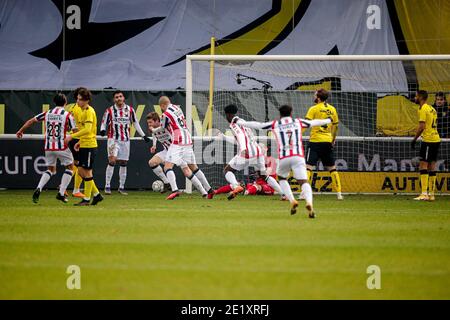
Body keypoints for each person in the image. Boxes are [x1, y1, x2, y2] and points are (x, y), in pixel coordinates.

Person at [237, 104, 331, 216]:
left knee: (282, 178)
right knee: (304, 182)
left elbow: (259, 125)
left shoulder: (276, 124)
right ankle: (309, 203)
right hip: (298, 156)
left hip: (284, 157)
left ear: (280, 114)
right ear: (291, 113)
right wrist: (328, 120)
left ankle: (292, 200)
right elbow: (313, 123)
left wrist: (241, 122)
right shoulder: (298, 122)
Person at [16, 93, 75, 203]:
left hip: (48, 147)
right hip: (62, 146)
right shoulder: (67, 115)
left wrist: (21, 130)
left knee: (50, 170)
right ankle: (61, 193)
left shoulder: (47, 113)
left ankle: (39, 188)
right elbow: (75, 131)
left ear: (54, 102)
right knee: (70, 168)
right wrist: (75, 139)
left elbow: (31, 121)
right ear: (65, 103)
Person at [222, 104, 283, 200]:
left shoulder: (234, 124)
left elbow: (240, 136)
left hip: (247, 152)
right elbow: (238, 139)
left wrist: (243, 149)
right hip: (258, 152)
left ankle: (235, 185)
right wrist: (224, 137)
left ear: (228, 115)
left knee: (227, 170)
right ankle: (284, 194)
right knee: (264, 176)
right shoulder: (243, 122)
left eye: (226, 116)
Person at [159, 96, 214, 200]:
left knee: (167, 167)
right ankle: (209, 189)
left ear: (162, 105)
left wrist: (153, 130)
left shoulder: (165, 114)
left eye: (161, 107)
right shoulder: (177, 108)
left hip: (177, 140)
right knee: (193, 167)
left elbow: (162, 127)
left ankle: (175, 190)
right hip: (187, 138)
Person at [100, 90, 150, 195]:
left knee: (123, 163)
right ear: (114, 99)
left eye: (120, 96)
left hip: (125, 140)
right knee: (112, 161)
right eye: (116, 97)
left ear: (123, 98)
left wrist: (143, 135)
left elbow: (135, 123)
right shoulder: (110, 110)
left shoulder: (130, 110)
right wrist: (102, 130)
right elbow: (104, 122)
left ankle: (121, 187)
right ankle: (107, 186)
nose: (119, 98)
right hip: (113, 139)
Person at [64, 88, 103, 206]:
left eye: (80, 99)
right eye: (77, 98)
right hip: (84, 144)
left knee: (87, 171)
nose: (78, 101)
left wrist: (72, 137)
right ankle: (96, 195)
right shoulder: (80, 110)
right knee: (81, 170)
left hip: (90, 145)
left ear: (86, 100)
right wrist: (79, 141)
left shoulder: (89, 111)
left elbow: (87, 130)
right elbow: (84, 130)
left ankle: (87, 199)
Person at [304, 89, 343, 200]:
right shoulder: (332, 109)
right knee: (332, 168)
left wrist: (297, 135)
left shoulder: (313, 109)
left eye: (315, 95)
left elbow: (306, 125)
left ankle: (304, 193)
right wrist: (333, 139)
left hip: (315, 142)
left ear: (318, 98)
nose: (313, 96)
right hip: (327, 141)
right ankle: (339, 194)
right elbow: (336, 126)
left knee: (308, 168)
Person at [411, 90, 441, 201]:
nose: (415, 98)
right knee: (432, 165)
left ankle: (424, 194)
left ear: (420, 97)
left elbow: (422, 126)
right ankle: (431, 194)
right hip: (436, 139)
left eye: (416, 96)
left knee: (423, 165)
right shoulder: (432, 109)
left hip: (428, 140)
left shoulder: (423, 109)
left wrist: (414, 139)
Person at [67, 87, 86, 198]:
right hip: (77, 137)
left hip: (70, 136)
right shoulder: (80, 108)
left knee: (75, 163)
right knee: (80, 165)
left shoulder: (69, 107)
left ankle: (64, 187)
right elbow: (81, 126)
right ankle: (76, 189)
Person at [146, 112, 171, 192]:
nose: (149, 124)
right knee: (152, 162)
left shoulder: (164, 125)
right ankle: (167, 183)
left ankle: (205, 189)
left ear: (156, 120)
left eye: (150, 122)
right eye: (148, 123)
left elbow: (159, 130)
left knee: (188, 170)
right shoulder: (154, 129)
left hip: (177, 151)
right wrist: (154, 145)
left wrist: (153, 130)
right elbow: (154, 133)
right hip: (166, 151)